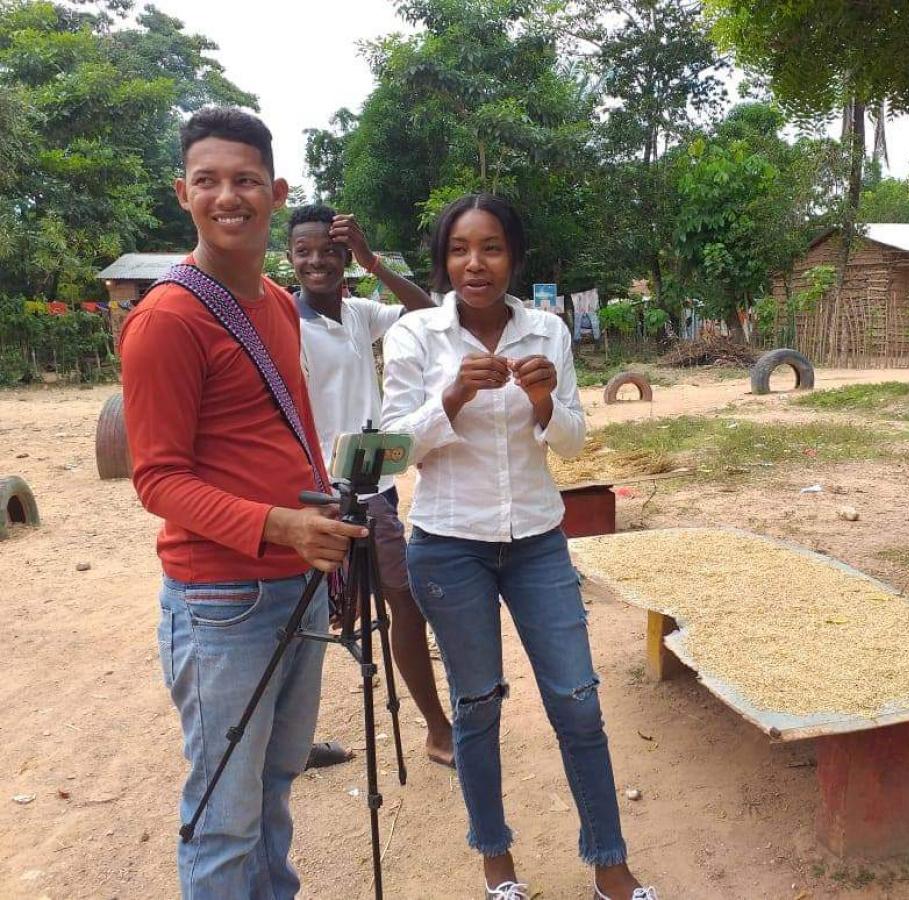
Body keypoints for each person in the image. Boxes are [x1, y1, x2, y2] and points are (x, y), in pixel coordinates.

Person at [380, 194, 657, 900]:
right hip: (448, 545)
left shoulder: (547, 330)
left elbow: (573, 442)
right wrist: (450, 397)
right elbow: (392, 450)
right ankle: (496, 864)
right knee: (476, 706)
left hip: (537, 539)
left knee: (578, 701)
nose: (475, 264)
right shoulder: (416, 335)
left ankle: (610, 866)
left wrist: (543, 403)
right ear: (443, 261)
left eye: (492, 248)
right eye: (460, 250)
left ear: (514, 257)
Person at [120, 107, 365, 899]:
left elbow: (284, 432)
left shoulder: (278, 303)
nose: (228, 196)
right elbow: (157, 479)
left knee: (274, 784)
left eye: (245, 180)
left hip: (297, 580)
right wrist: (279, 524)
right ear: (182, 193)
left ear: (276, 191)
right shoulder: (166, 319)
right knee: (225, 813)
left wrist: (317, 517)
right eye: (208, 181)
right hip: (222, 599)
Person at [284, 203, 454, 768]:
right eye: (304, 251)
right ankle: (290, 743)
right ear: (288, 258)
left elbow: (430, 313)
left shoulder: (359, 313)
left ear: (345, 256)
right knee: (298, 615)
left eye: (330, 251)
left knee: (402, 601)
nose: (317, 261)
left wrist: (373, 262)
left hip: (374, 487)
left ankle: (436, 730)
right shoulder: (283, 321)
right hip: (310, 492)